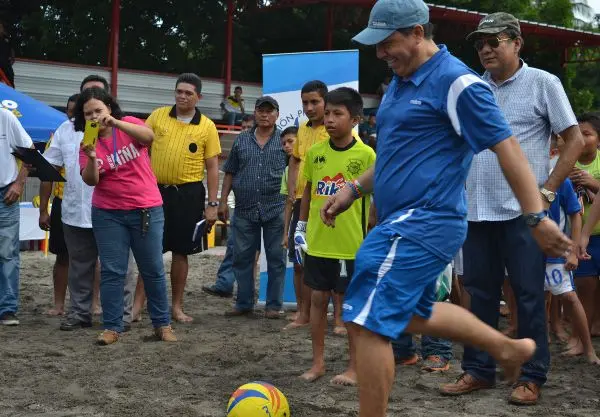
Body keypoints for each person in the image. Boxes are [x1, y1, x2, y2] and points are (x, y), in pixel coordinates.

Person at [321, 1, 572, 416]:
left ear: (418, 33)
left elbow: (507, 147)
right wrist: (354, 189)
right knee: (397, 311)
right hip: (399, 220)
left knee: (367, 319)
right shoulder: (401, 81)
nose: (380, 53)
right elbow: (396, 154)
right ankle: (502, 346)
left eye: (387, 43)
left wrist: (535, 216)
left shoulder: (458, 83)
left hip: (427, 217)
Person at [442, 12, 585, 405]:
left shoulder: (543, 82)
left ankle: (532, 375)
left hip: (525, 214)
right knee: (479, 295)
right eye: (480, 44)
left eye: (495, 41)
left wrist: (548, 192)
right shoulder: (471, 88)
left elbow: (574, 139)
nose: (486, 49)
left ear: (517, 43)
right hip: (477, 210)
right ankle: (478, 370)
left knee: (528, 295)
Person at [77, 87, 175, 345]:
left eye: (98, 110)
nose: (94, 117)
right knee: (112, 271)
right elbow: (90, 180)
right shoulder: (87, 143)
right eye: (88, 114)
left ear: (109, 108)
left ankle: (162, 324)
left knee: (152, 268)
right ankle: (112, 327)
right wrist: (91, 157)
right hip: (107, 213)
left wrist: (116, 123)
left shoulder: (128, 124)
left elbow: (149, 137)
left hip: (145, 208)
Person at [40, 76, 137, 332]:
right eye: (87, 96)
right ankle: (79, 312)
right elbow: (51, 164)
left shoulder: (122, 126)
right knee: (79, 266)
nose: (93, 108)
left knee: (118, 266)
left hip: (114, 208)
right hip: (75, 208)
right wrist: (35, 164)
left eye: (97, 97)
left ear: (107, 102)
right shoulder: (66, 129)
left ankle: (120, 315)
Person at [295, 87, 375, 385]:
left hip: (351, 246)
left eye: (337, 114)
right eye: (327, 113)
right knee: (317, 301)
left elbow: (374, 202)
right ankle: (318, 363)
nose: (329, 119)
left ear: (355, 120)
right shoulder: (315, 153)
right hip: (318, 244)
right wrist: (301, 227)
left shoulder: (366, 155)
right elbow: (307, 192)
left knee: (351, 308)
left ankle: (354, 367)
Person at [145, 73, 221, 323]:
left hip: (188, 194)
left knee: (181, 252)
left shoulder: (207, 126)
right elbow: (140, 144)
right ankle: (137, 306)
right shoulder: (157, 116)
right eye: (179, 91)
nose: (182, 96)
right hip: (155, 191)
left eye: (188, 93)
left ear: (199, 97)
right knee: (149, 250)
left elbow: (212, 168)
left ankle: (176, 307)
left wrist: (213, 204)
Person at [219, 96, 286, 317]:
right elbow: (230, 171)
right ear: (255, 113)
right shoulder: (241, 140)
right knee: (242, 257)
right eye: (261, 110)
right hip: (244, 208)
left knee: (276, 258)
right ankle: (244, 303)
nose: (265, 115)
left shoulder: (284, 142)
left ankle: (273, 305)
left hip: (276, 207)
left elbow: (294, 172)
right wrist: (222, 201)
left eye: (269, 111)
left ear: (277, 114)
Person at [542, 135, 599, 363]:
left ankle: (589, 349)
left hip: (557, 252)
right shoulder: (522, 177)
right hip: (530, 253)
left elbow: (576, 215)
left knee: (570, 297)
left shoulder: (561, 180)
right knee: (536, 300)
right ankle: (540, 347)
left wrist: (574, 251)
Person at [284, 80, 329, 331]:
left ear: (325, 101)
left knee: (328, 262)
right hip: (302, 202)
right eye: (305, 103)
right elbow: (295, 159)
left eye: (315, 102)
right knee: (299, 260)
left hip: (327, 203)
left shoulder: (334, 128)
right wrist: (292, 189)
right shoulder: (301, 128)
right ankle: (302, 314)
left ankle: (335, 317)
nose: (309, 107)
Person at [41, 93, 79, 316]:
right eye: (69, 112)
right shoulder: (61, 133)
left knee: (93, 258)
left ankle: (94, 303)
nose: (72, 117)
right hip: (63, 202)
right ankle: (59, 304)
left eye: (76, 112)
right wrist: (43, 210)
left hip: (92, 203)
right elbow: (47, 174)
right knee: (62, 256)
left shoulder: (96, 133)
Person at [0, 109, 33, 325]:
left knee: (7, 253)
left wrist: (19, 183)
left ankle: (7, 308)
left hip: (5, 194)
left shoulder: (5, 117)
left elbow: (30, 151)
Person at [0, 22, 15, 87]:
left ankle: (11, 90)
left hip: (6, 63)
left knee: (10, 76)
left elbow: (12, 49)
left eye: (1, 27)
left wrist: (12, 58)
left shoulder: (7, 38)